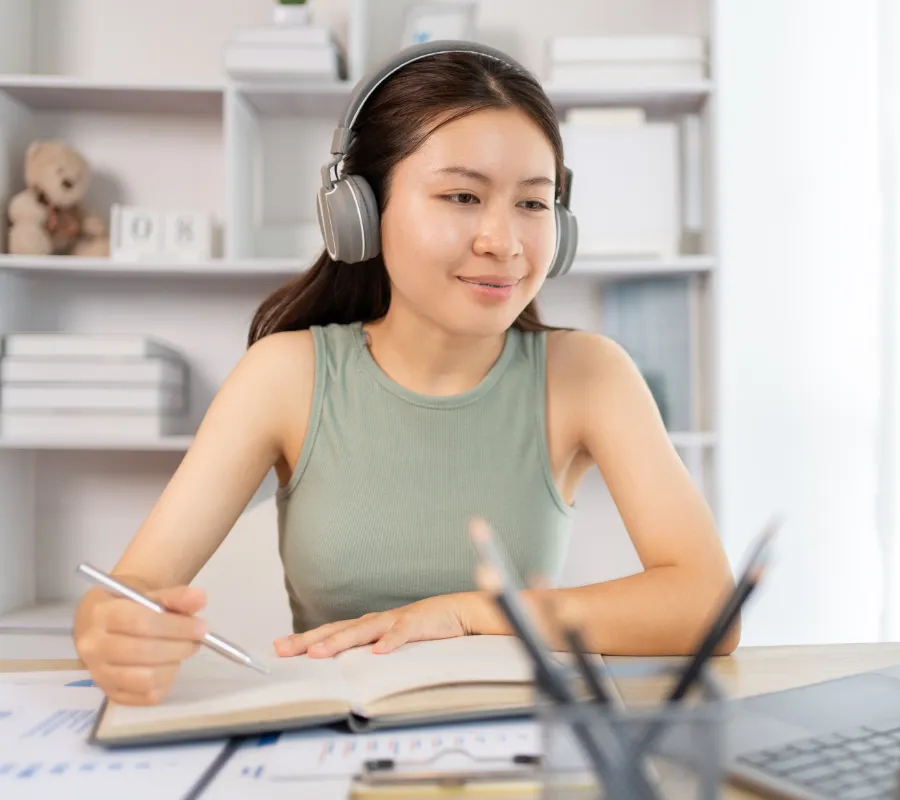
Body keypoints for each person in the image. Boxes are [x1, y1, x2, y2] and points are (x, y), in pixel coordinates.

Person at [71, 42, 736, 707]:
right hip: (336, 746)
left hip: (510, 744)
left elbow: (709, 606)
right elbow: (128, 591)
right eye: (462, 196)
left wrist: (470, 613)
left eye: (533, 205)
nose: (502, 242)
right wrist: (110, 632)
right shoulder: (284, 376)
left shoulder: (588, 374)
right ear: (359, 212)